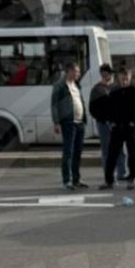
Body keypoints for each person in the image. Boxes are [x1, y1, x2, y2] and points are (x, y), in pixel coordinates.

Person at [100, 67, 135, 191]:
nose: (124, 78)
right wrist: (111, 122)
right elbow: (108, 109)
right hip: (117, 128)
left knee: (132, 155)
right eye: (122, 75)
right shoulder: (114, 92)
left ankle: (131, 179)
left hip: (130, 128)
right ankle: (109, 181)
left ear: (130, 77)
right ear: (118, 77)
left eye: (126, 76)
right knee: (112, 155)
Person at [51, 62, 88, 191]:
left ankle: (76, 179)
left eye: (78, 72)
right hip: (68, 123)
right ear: (69, 71)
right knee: (68, 152)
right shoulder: (60, 85)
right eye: (76, 71)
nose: (78, 74)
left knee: (78, 152)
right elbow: (54, 104)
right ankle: (67, 180)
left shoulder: (76, 85)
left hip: (79, 123)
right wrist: (56, 122)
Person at [88, 64, 128, 181]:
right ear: (102, 74)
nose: (108, 75)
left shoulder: (116, 87)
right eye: (106, 73)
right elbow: (93, 108)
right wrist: (103, 119)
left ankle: (121, 173)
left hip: (116, 123)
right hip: (103, 124)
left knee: (120, 148)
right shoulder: (97, 89)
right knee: (106, 150)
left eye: (110, 73)